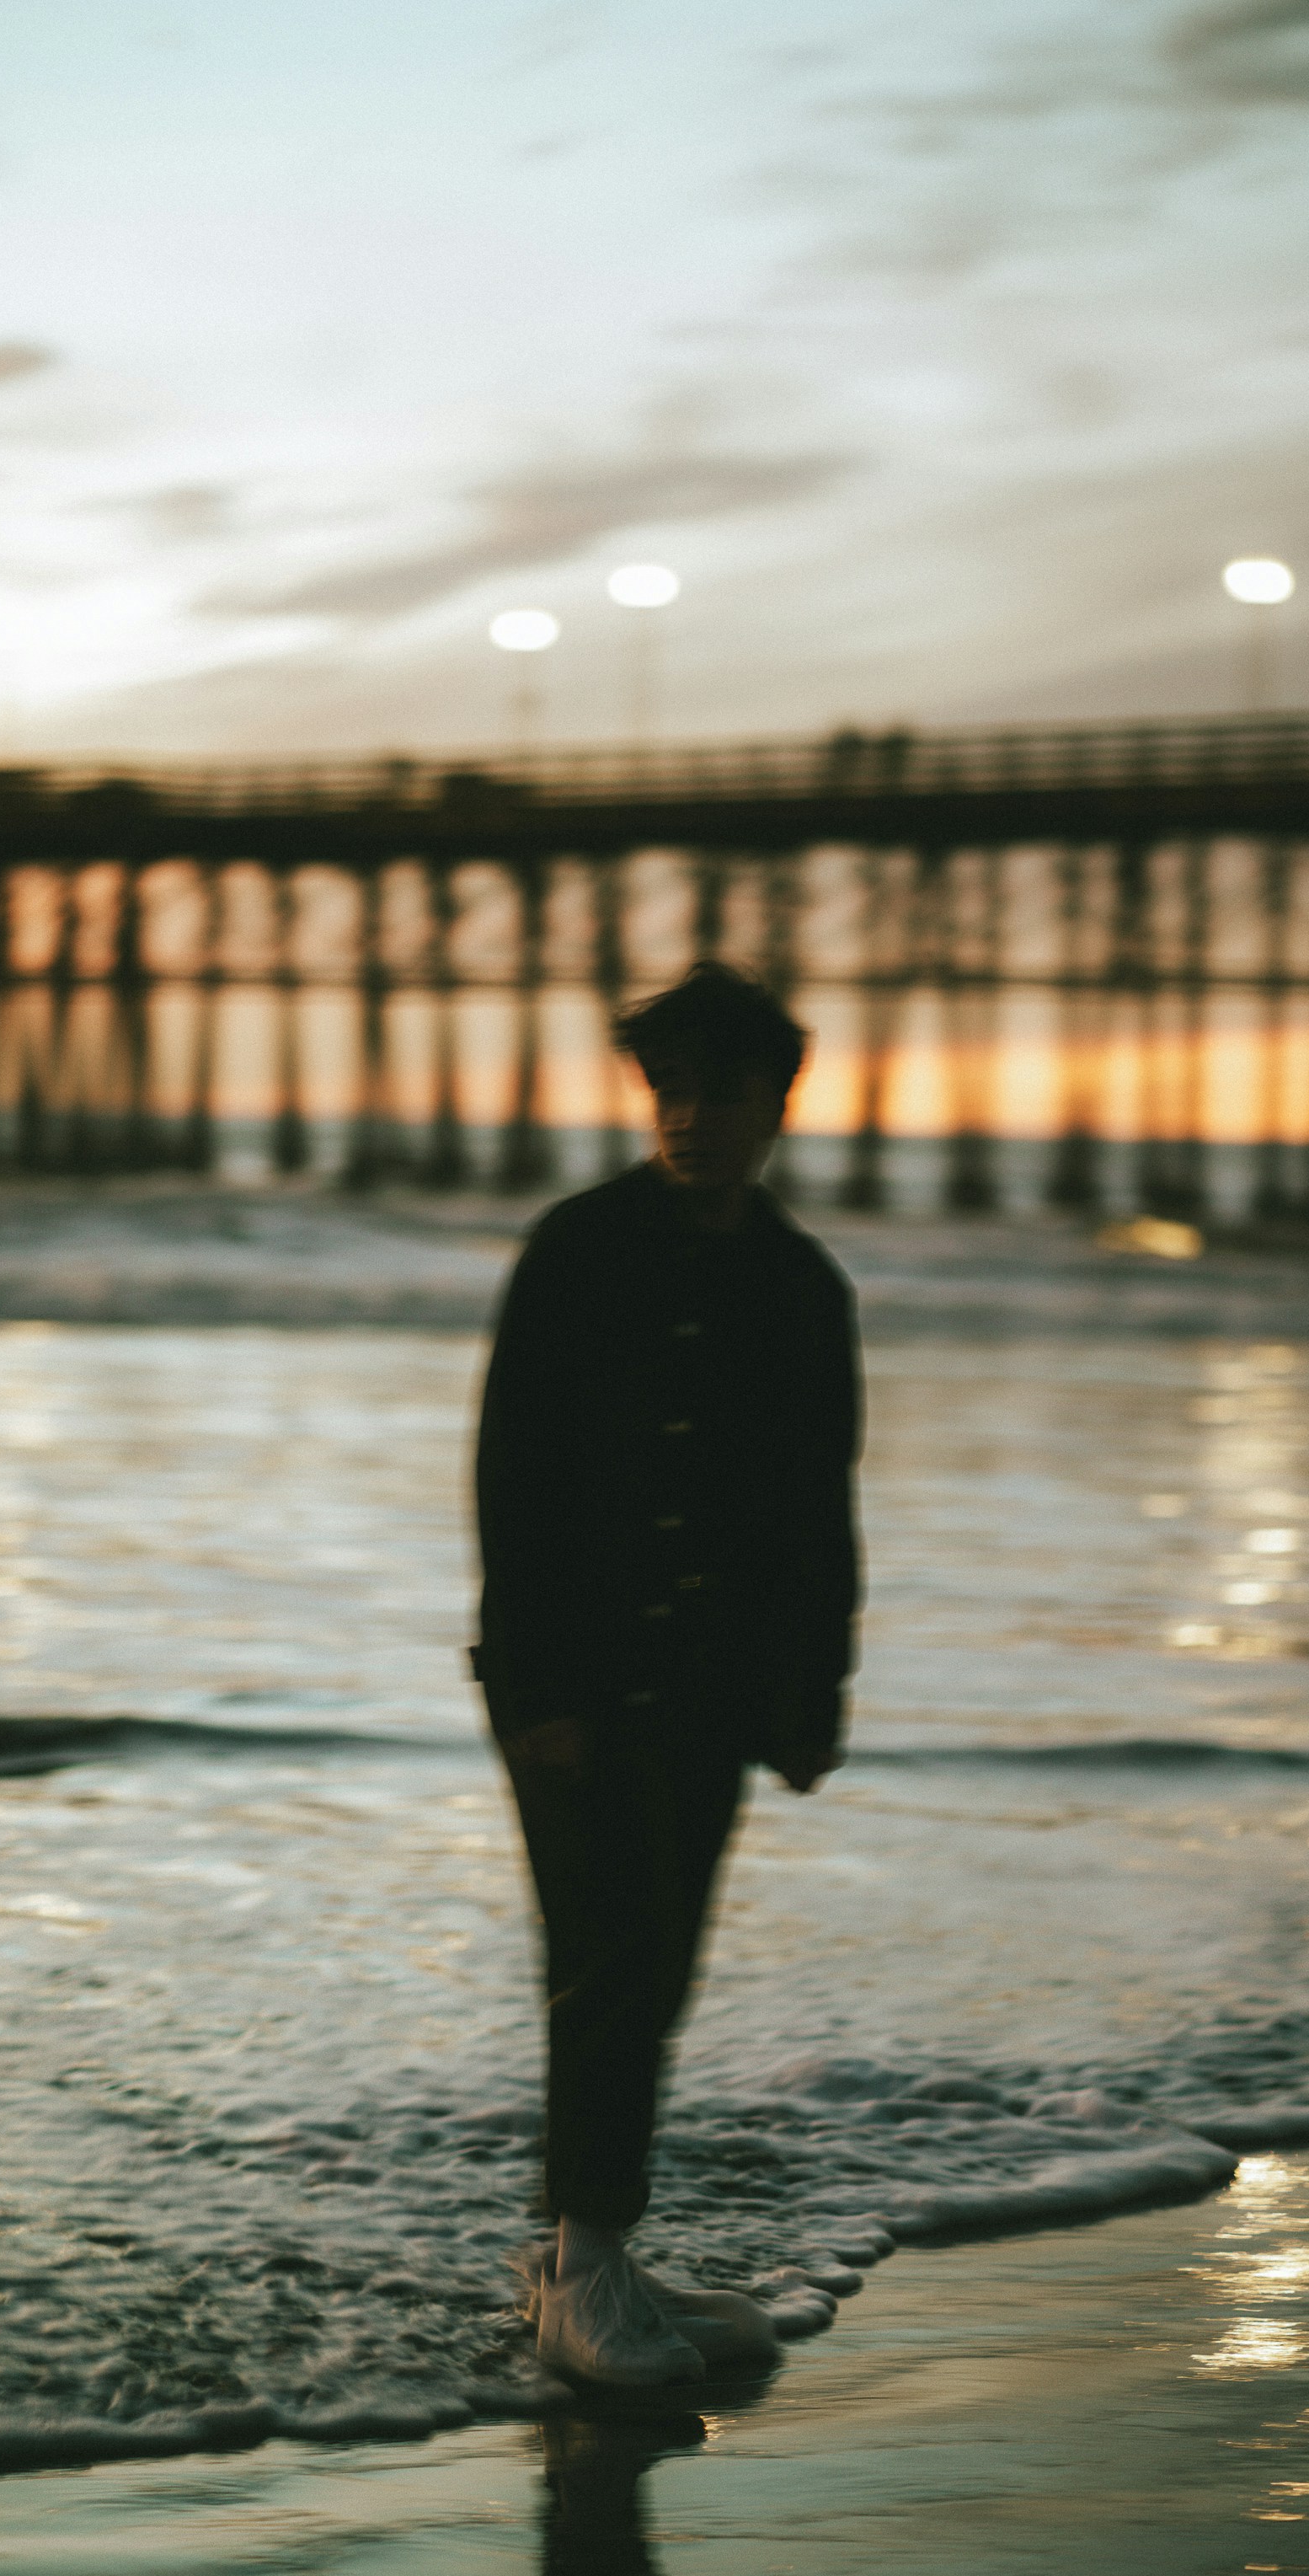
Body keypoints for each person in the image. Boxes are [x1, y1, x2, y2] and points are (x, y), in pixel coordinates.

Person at [473, 960, 862, 2388]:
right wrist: (537, 1693)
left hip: (711, 1688)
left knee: (665, 1962)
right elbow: (512, 1479)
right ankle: (583, 2267)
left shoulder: (802, 1287)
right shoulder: (578, 1249)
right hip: (573, 1687)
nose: (691, 1117)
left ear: (778, 1106)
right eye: (670, 1090)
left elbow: (819, 1510)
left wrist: (811, 1698)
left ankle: (586, 2254)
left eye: (722, 1093)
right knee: (605, 1960)